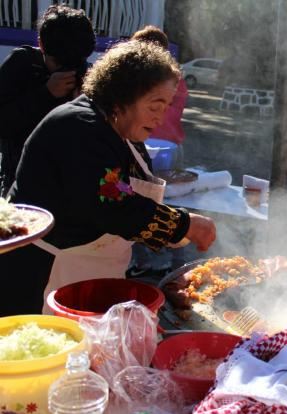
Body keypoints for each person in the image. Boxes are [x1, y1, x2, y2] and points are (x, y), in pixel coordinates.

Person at [0, 40, 216, 316]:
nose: (161, 118)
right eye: (155, 105)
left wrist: (175, 227)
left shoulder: (120, 129)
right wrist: (183, 225)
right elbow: (112, 205)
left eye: (167, 106)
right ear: (123, 95)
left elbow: (125, 191)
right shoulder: (79, 128)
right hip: (48, 272)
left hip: (92, 269)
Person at [0, 4, 96, 196]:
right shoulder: (23, 64)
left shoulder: (88, 73)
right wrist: (45, 93)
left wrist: (83, 106)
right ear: (41, 45)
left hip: (70, 185)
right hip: (20, 182)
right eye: (57, 63)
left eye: (74, 64)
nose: (65, 70)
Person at [129, 25, 189, 276]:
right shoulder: (173, 79)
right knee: (149, 199)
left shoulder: (168, 81)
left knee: (152, 200)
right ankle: (159, 259)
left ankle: (171, 260)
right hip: (162, 146)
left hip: (161, 149)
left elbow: (165, 115)